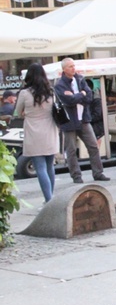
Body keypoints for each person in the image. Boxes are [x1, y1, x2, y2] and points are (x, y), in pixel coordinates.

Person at [54, 58, 110, 184]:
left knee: (93, 146)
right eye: (70, 66)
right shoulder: (60, 85)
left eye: (74, 66)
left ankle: (98, 172)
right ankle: (76, 176)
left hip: (83, 119)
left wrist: (77, 95)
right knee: (71, 150)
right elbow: (68, 101)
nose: (73, 68)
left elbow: (89, 97)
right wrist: (81, 94)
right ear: (64, 69)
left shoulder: (80, 79)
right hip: (69, 121)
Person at [15, 63, 57, 203]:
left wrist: (26, 113)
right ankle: (50, 198)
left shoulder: (25, 93)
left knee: (40, 167)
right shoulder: (50, 91)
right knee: (50, 165)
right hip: (50, 129)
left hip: (33, 131)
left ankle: (48, 199)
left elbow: (17, 112)